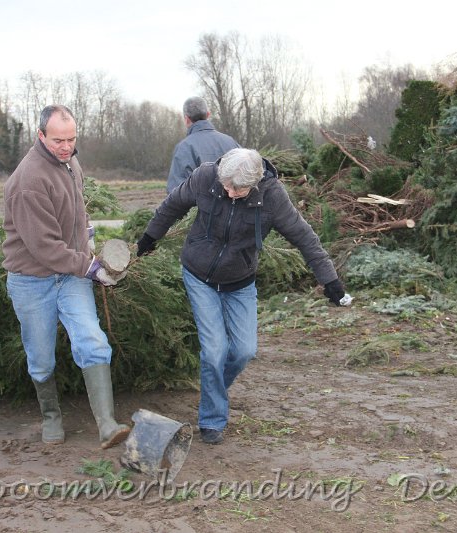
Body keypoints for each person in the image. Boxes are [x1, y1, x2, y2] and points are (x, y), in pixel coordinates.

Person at [137, 148, 352, 444]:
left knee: (244, 351)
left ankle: (212, 394)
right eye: (226, 186)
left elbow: (305, 238)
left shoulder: (272, 197)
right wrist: (149, 239)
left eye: (237, 189)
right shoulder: (206, 177)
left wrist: (330, 280)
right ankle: (212, 420)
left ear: (255, 182)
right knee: (214, 351)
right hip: (199, 275)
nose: (229, 192)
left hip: (240, 281)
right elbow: (172, 205)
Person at [2, 104, 130, 449]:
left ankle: (107, 425)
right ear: (40, 135)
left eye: (71, 139)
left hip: (70, 277)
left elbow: (76, 206)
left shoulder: (71, 163)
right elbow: (44, 247)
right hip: (33, 280)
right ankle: (51, 416)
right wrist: (90, 267)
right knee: (41, 357)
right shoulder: (28, 182)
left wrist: (87, 235)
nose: (66, 146)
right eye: (58, 140)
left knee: (92, 340)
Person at [166, 96, 239, 194]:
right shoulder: (232, 142)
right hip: (233, 203)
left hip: (200, 204)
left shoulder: (184, 148)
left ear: (186, 119)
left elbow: (177, 193)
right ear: (208, 115)